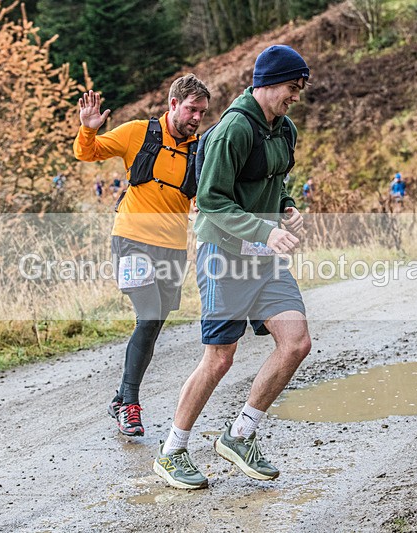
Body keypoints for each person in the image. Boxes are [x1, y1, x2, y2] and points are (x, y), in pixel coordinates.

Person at [154, 45, 312, 490]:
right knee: (220, 358)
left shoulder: (285, 129)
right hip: (223, 253)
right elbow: (211, 201)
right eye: (291, 87)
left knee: (296, 342)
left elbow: (278, 180)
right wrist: (264, 232)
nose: (295, 96)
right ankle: (172, 451)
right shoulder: (231, 131)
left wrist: (287, 206)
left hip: (263, 258)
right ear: (266, 83)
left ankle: (240, 434)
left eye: (299, 89)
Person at [73, 74, 211, 437]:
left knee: (152, 325)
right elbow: (87, 153)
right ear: (173, 104)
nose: (197, 117)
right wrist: (88, 129)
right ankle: (130, 405)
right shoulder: (138, 132)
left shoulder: (200, 149)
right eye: (191, 109)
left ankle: (121, 398)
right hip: (132, 239)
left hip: (172, 248)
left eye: (202, 112)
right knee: (148, 315)